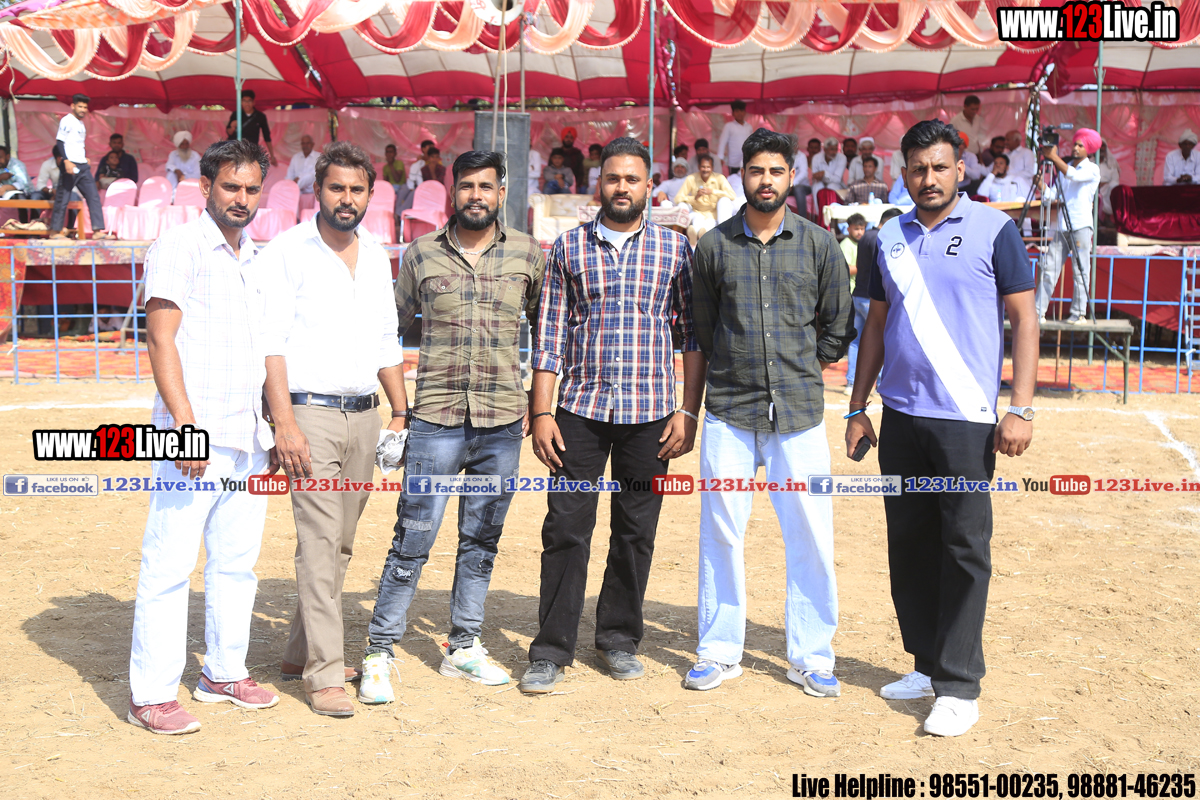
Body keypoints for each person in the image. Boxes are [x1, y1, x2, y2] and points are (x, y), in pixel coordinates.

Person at [845, 119, 1038, 738]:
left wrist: (1021, 407)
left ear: (960, 168)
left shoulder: (994, 229)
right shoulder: (886, 237)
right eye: (917, 169)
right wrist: (857, 406)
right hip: (901, 418)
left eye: (939, 167)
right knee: (910, 545)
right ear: (903, 174)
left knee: (963, 549)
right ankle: (927, 666)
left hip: (967, 422)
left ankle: (958, 686)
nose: (928, 178)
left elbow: (1025, 319)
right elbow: (875, 327)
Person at [358, 151, 546, 703]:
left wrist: (539, 409)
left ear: (501, 192)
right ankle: (379, 651)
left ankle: (463, 646)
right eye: (466, 186)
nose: (476, 196)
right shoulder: (421, 254)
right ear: (452, 192)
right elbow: (386, 331)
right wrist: (398, 409)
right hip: (435, 421)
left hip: (501, 424)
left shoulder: (527, 254)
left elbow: (547, 333)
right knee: (413, 537)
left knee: (481, 539)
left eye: (486, 186)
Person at [519, 137, 703, 694]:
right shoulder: (568, 248)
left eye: (632, 179)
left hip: (652, 415)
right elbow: (549, 334)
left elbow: (692, 336)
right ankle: (551, 649)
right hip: (580, 411)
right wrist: (542, 411)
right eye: (613, 178)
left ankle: (618, 638)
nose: (622, 187)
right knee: (565, 529)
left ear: (650, 186)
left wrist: (687, 411)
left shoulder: (675, 250)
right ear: (599, 183)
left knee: (635, 532)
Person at [686, 127, 854, 696]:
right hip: (729, 411)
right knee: (721, 533)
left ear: (792, 176)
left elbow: (838, 325)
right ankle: (718, 651)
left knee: (811, 534)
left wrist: (803, 366)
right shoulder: (714, 247)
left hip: (799, 413)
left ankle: (811, 657)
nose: (766, 180)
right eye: (756, 170)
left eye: (776, 171)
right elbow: (703, 330)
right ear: (741, 176)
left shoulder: (819, 244)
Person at [127, 139, 278, 736]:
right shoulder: (179, 245)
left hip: (247, 436)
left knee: (237, 565)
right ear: (204, 187)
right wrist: (185, 424)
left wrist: (272, 426)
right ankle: (151, 695)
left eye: (251, 189)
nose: (241, 198)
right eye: (230, 187)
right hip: (192, 434)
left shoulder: (254, 258)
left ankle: (223, 672)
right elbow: (160, 338)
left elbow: (262, 349)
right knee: (169, 564)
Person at [260, 141, 407, 718]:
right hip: (310, 417)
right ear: (317, 191)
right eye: (336, 188)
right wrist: (285, 423)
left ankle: (300, 651)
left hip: (365, 416)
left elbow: (387, 339)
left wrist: (400, 412)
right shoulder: (287, 252)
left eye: (356, 190)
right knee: (320, 541)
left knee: (341, 541)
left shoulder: (376, 254)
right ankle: (324, 672)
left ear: (370, 195)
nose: (346, 199)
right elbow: (271, 344)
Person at [1035, 128, 1102, 324]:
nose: (1076, 148)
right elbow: (1053, 195)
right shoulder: (1065, 168)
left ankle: (1078, 313)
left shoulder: (1092, 168)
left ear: (1088, 150)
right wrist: (1041, 185)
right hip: (1062, 226)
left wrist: (1054, 157)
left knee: (1080, 270)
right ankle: (1038, 312)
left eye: (1080, 145)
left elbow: (1074, 176)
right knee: (1049, 268)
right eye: (1075, 144)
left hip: (1081, 226)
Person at [845, 206, 903, 398]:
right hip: (872, 297)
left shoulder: (865, 237)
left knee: (856, 341)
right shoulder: (881, 237)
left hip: (858, 293)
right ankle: (879, 383)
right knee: (881, 338)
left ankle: (850, 382)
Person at [48, 94, 112, 240]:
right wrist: (66, 161)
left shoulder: (81, 123)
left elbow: (77, 144)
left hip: (82, 165)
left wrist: (84, 158)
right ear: (73, 106)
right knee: (63, 197)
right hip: (70, 164)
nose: (83, 109)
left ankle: (97, 231)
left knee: (93, 196)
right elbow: (60, 142)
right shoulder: (67, 120)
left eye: (85, 107)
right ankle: (55, 232)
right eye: (80, 106)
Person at [675, 154, 737, 245]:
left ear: (712, 168)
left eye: (708, 167)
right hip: (697, 212)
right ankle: (694, 236)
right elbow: (678, 198)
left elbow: (732, 195)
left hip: (713, 214)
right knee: (697, 222)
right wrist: (695, 198)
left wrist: (713, 191)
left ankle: (699, 237)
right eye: (703, 167)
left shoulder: (720, 178)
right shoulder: (691, 178)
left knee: (708, 225)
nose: (705, 169)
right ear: (698, 167)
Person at [228, 90, 279, 167]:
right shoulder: (236, 115)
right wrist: (232, 127)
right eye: (244, 101)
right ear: (241, 102)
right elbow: (229, 132)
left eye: (249, 101)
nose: (247, 103)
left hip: (251, 151)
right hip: (236, 150)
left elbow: (267, 137)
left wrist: (272, 156)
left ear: (253, 102)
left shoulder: (260, 116)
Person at [716, 100, 753, 175]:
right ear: (733, 113)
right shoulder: (729, 126)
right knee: (733, 181)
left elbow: (752, 144)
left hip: (746, 161)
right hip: (733, 163)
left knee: (746, 181)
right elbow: (722, 143)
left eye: (741, 111)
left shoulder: (749, 127)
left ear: (745, 112)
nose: (739, 113)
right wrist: (720, 158)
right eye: (737, 111)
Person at [1004, 129, 1037, 198]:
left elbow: (1029, 172)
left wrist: (1010, 176)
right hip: (1006, 188)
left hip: (1022, 190)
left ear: (1016, 140)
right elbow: (990, 170)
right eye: (1005, 140)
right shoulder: (1005, 155)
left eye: (1008, 140)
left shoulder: (1026, 152)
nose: (1005, 142)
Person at [1097, 141, 1121, 221]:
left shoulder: (1111, 164)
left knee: (1114, 186)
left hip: (1106, 188)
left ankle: (1107, 218)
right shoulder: (1090, 162)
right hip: (1092, 187)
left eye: (1103, 146)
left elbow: (1115, 179)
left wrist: (1104, 184)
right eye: (1099, 146)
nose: (1101, 148)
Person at [840, 213, 867, 278]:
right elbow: (845, 269)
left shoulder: (862, 243)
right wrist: (866, 267)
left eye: (862, 229)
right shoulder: (846, 245)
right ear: (848, 229)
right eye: (856, 229)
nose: (860, 232)